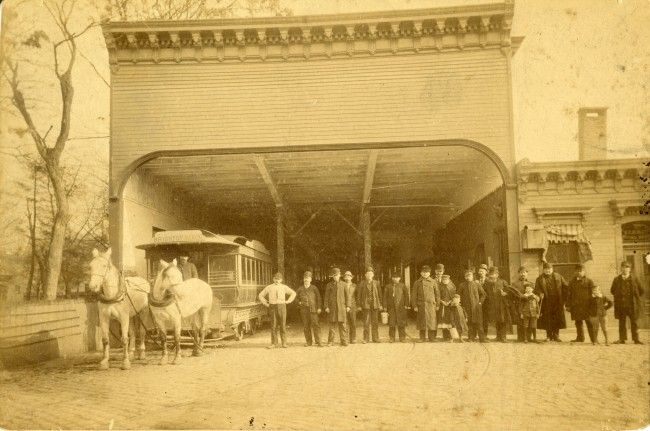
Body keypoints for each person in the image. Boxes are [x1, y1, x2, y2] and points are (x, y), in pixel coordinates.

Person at [258, 272, 296, 349]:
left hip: (282, 306)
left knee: (282, 325)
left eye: (278, 279)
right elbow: (260, 295)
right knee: (273, 325)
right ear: (273, 279)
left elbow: (293, 293)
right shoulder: (269, 287)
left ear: (281, 280)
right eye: (275, 278)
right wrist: (266, 303)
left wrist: (288, 301)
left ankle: (284, 343)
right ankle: (274, 343)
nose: (277, 280)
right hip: (272, 307)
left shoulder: (284, 287)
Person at [610, 261, 645, 345]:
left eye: (627, 267)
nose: (625, 269)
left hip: (632, 305)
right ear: (621, 268)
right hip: (621, 305)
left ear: (630, 269)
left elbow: (641, 290)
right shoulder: (617, 279)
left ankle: (636, 339)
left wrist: (634, 298)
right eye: (623, 267)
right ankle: (622, 339)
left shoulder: (634, 279)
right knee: (622, 322)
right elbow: (612, 290)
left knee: (634, 322)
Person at [534, 262, 568, 342]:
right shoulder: (539, 279)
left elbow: (565, 287)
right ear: (543, 270)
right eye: (546, 269)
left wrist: (564, 299)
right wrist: (539, 293)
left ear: (552, 269)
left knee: (556, 318)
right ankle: (549, 335)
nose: (547, 271)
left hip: (557, 301)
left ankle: (556, 335)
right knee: (547, 319)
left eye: (549, 269)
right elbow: (537, 289)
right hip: (546, 301)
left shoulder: (558, 276)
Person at [567, 264, 596, 343]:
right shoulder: (572, 282)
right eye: (577, 271)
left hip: (586, 306)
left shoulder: (589, 281)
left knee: (589, 322)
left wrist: (593, 305)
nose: (579, 272)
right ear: (575, 272)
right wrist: (568, 305)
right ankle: (580, 338)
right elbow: (569, 294)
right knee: (578, 323)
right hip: (576, 306)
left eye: (581, 271)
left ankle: (594, 339)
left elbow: (593, 294)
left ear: (584, 272)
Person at [457, 269, 487, 342]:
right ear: (464, 277)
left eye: (469, 275)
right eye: (466, 276)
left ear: (473, 276)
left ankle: (482, 339)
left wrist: (480, 302)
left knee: (479, 323)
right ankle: (471, 337)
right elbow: (458, 295)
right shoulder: (462, 285)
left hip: (476, 307)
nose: (468, 277)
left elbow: (483, 294)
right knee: (469, 323)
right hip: (467, 308)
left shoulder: (477, 284)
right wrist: (460, 304)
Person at [411, 265, 439, 342]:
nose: (425, 274)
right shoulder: (417, 283)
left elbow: (437, 294)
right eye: (423, 272)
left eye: (427, 272)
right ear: (421, 273)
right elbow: (413, 295)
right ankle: (422, 338)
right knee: (421, 321)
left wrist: (437, 305)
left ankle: (431, 337)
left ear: (429, 273)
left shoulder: (433, 282)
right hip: (421, 305)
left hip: (431, 305)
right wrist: (415, 306)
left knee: (432, 321)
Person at [324, 267, 350, 346]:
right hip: (332, 308)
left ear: (340, 275)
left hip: (342, 308)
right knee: (332, 325)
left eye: (337, 275)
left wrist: (348, 306)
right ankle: (330, 341)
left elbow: (347, 296)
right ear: (332, 276)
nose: (335, 277)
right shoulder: (329, 285)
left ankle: (344, 341)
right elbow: (326, 297)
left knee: (343, 325)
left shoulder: (344, 284)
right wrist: (326, 307)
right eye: (334, 275)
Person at [484, 266, 511, 342]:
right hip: (493, 305)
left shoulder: (503, 282)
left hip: (502, 305)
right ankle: (498, 336)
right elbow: (484, 293)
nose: (492, 276)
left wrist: (505, 293)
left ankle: (503, 337)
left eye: (494, 274)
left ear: (497, 274)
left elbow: (509, 291)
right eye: (491, 274)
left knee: (503, 321)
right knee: (497, 321)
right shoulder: (487, 284)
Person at [296, 271, 322, 347]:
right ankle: (309, 342)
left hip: (313, 309)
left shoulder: (314, 288)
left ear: (311, 279)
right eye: (305, 278)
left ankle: (319, 341)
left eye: (308, 278)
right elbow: (295, 298)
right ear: (303, 279)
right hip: (304, 310)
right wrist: (299, 303)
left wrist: (319, 307)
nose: (306, 280)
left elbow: (319, 298)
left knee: (316, 325)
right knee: (306, 326)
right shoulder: (300, 288)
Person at [357, 267, 382, 343]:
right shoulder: (362, 283)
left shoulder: (377, 283)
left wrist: (380, 304)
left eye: (371, 274)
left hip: (375, 305)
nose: (369, 275)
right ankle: (366, 339)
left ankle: (375, 338)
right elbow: (359, 295)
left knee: (375, 322)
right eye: (368, 274)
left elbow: (380, 294)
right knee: (366, 323)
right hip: (366, 305)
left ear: (373, 275)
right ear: (365, 275)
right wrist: (359, 305)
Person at [383, 272, 410, 342]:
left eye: (397, 277)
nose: (395, 279)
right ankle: (392, 338)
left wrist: (406, 305)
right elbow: (385, 297)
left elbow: (407, 296)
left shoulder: (403, 286)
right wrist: (385, 307)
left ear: (399, 278)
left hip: (401, 308)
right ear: (392, 278)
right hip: (391, 308)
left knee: (401, 323)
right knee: (392, 324)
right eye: (394, 277)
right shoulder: (388, 286)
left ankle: (402, 337)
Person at [509, 266, 532, 342]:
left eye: (524, 272)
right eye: (521, 272)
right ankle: (520, 337)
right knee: (520, 321)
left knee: (528, 321)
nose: (523, 274)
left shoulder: (531, 284)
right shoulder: (514, 284)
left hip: (528, 305)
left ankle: (528, 337)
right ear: (519, 274)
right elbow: (512, 295)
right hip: (518, 305)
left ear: (527, 273)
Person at [436, 273, 456, 341]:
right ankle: (445, 336)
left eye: (446, 279)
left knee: (451, 320)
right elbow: (437, 296)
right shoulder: (439, 286)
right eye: (443, 279)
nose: (444, 280)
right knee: (443, 320)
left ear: (448, 279)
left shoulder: (452, 286)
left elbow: (454, 295)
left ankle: (451, 336)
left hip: (450, 306)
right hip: (443, 306)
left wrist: (450, 301)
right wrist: (442, 302)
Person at [343, 271, 358, 344]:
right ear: (344, 277)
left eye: (349, 276)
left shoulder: (354, 285)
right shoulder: (342, 285)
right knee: (345, 323)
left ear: (351, 277)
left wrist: (357, 306)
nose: (347, 277)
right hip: (344, 306)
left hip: (353, 306)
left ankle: (353, 338)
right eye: (346, 276)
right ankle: (345, 339)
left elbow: (357, 296)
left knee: (353, 322)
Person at [476, 263, 490, 336]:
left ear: (486, 272)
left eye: (483, 271)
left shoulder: (489, 281)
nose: (481, 273)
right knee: (478, 318)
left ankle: (485, 335)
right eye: (480, 271)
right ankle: (479, 334)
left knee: (485, 319)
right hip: (478, 302)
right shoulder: (476, 281)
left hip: (486, 303)